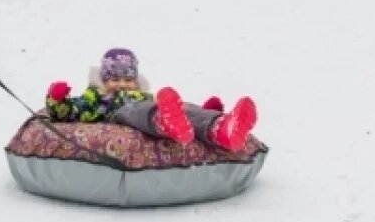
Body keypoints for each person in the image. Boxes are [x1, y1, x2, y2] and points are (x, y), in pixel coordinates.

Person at [45, 48, 259, 152]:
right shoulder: (97, 98)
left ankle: (220, 127)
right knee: (135, 110)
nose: (122, 84)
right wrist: (58, 100)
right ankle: (164, 121)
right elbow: (71, 112)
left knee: (183, 107)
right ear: (103, 79)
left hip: (152, 108)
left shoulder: (145, 96)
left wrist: (204, 113)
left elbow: (170, 106)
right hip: (121, 116)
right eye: (115, 79)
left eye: (128, 80)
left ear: (136, 80)